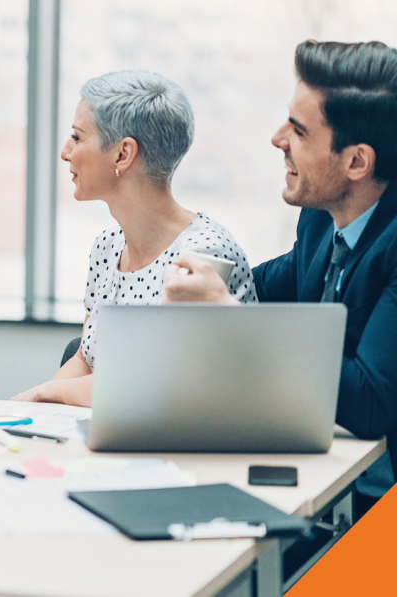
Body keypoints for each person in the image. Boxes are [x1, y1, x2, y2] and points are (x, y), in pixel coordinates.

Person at [163, 40, 397, 518]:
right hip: (335, 487)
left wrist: (227, 314)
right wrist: (195, 274)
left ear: (357, 162)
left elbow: (371, 403)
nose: (276, 140)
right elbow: (263, 285)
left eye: (299, 131)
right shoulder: (319, 222)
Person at [11, 70, 257, 406]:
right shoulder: (107, 246)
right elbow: (86, 357)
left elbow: (150, 384)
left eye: (78, 137)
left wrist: (45, 392)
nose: (66, 152)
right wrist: (27, 411)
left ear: (123, 154)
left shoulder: (204, 255)